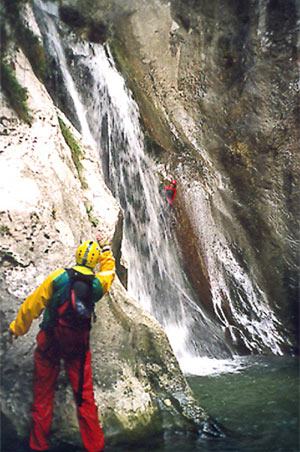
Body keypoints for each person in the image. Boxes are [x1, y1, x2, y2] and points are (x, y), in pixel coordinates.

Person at [8, 235, 115, 452]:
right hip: (78, 348)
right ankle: (94, 446)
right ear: (92, 262)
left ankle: (38, 445)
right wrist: (105, 251)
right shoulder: (96, 285)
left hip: (50, 342)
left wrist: (17, 329)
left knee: (43, 395)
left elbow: (32, 305)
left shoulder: (58, 277)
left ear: (77, 256)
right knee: (85, 399)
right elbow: (108, 273)